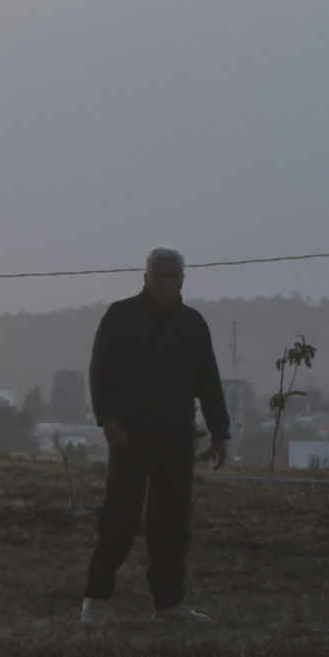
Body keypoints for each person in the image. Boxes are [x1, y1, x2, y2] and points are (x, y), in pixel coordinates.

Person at [80, 247, 231, 626]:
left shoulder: (193, 324)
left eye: (173, 277)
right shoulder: (120, 316)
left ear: (182, 280)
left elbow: (208, 382)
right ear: (145, 277)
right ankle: (95, 598)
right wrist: (108, 420)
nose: (166, 283)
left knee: (172, 525)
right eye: (158, 276)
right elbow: (100, 373)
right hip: (128, 438)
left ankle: (168, 604)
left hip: (177, 438)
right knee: (119, 518)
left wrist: (220, 432)